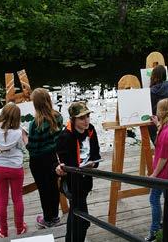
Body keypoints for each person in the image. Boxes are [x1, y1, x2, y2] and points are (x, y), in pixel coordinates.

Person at [55, 101, 101, 242]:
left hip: (86, 179)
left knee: (78, 214)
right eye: (82, 118)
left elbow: (96, 153)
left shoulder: (91, 130)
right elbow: (59, 161)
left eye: (87, 116)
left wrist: (93, 163)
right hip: (72, 183)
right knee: (81, 217)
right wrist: (59, 168)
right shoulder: (65, 137)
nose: (86, 120)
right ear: (73, 119)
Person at [0, 102, 27, 238]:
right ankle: (20, 228)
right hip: (16, 169)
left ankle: (3, 231)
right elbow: (22, 146)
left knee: (1, 200)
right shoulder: (19, 132)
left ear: (2, 114)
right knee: (17, 199)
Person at [145, 98, 168, 242]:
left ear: (162, 111)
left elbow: (163, 158)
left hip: (163, 173)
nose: (156, 111)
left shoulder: (167, 134)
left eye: (158, 109)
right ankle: (167, 224)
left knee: (154, 199)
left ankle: (154, 230)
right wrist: (157, 124)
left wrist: (154, 174)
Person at [26, 88, 63, 228]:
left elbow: (33, 148)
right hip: (53, 157)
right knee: (53, 187)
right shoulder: (58, 116)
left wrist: (24, 138)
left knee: (44, 189)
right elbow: (57, 138)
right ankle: (54, 216)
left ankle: (47, 219)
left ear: (35, 105)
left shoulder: (35, 124)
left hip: (38, 161)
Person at [148, 64, 168, 144]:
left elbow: (150, 105)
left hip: (155, 117)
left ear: (154, 76)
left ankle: (161, 150)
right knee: (167, 135)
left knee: (155, 138)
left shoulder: (151, 91)